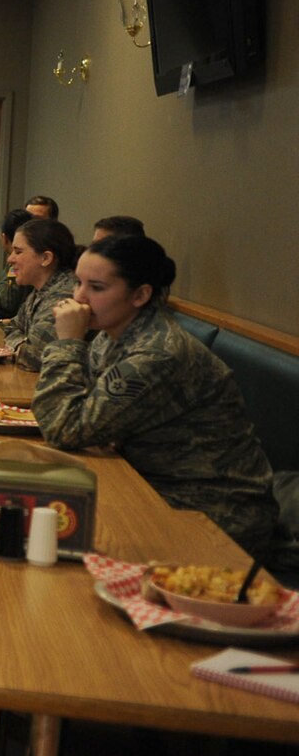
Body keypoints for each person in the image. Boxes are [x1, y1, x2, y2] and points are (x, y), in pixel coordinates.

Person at [36, 234, 279, 563]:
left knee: (59, 545)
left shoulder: (157, 353)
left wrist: (66, 344)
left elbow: (64, 427)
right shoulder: (112, 336)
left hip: (213, 513)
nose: (79, 298)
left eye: (96, 287)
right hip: (150, 483)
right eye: (78, 283)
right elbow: (82, 417)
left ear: (140, 294)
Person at [0, 217, 81, 370]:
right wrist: (19, 342)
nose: (10, 259)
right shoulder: (40, 291)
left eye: (18, 252)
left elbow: (33, 357)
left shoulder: (63, 297)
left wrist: (14, 345)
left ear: (45, 258)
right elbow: (12, 327)